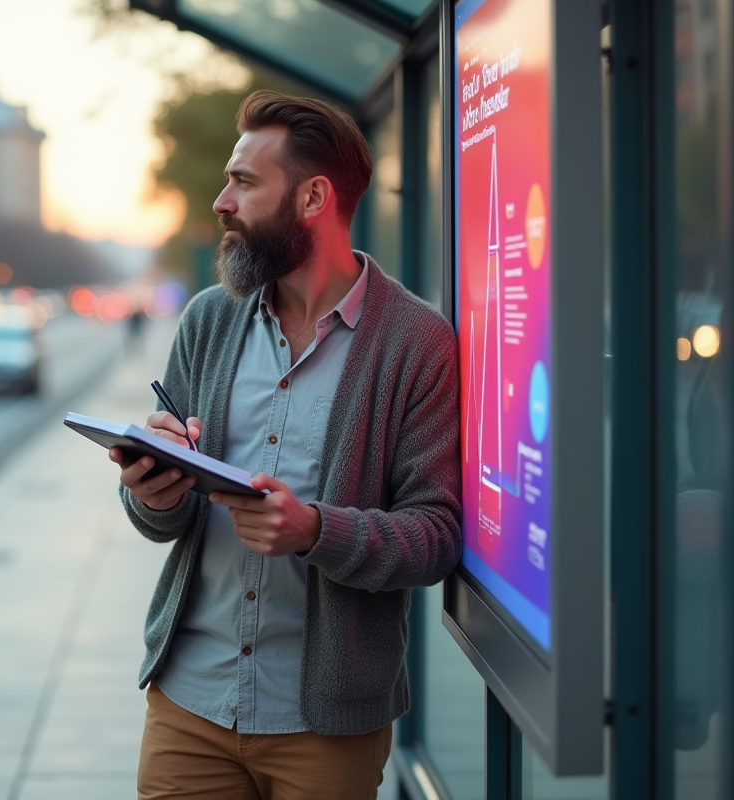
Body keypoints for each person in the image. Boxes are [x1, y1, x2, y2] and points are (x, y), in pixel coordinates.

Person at [110, 91, 463, 800]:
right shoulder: (210, 319)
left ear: (312, 197)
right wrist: (152, 489)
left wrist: (314, 530)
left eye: (243, 182)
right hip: (188, 706)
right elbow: (162, 520)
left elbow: (437, 536)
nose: (221, 202)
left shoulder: (417, 344)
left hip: (325, 730)